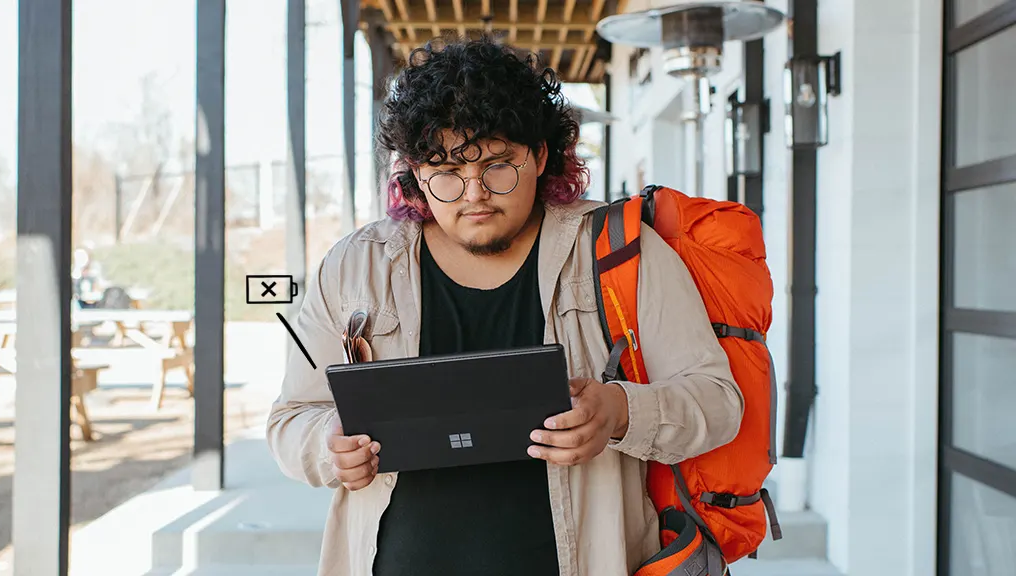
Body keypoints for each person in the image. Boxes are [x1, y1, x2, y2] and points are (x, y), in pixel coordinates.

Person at [267, 38, 743, 576]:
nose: (475, 194)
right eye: (446, 171)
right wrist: (329, 445)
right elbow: (290, 421)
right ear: (417, 175)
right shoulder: (356, 266)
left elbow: (718, 402)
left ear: (540, 155)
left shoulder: (618, 252)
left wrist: (619, 411)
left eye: (498, 165)